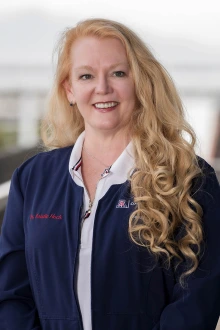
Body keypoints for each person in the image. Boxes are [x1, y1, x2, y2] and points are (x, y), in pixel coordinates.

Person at [0, 18, 220, 330]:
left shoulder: (189, 177)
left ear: (140, 82)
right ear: (70, 89)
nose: (102, 88)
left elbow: (198, 299)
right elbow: (10, 293)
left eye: (118, 73)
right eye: (86, 75)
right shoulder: (32, 179)